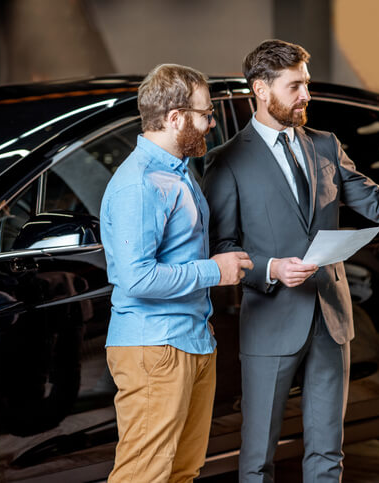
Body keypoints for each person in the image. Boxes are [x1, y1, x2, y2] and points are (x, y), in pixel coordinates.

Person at [203, 39, 379, 482]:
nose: (306, 96)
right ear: (260, 88)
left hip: (332, 320)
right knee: (257, 459)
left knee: (328, 453)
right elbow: (222, 248)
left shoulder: (326, 146)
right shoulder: (227, 161)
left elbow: (374, 204)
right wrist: (272, 268)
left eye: (306, 85)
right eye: (295, 86)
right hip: (271, 320)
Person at [100, 63, 253, 483]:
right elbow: (136, 278)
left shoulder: (177, 174)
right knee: (143, 475)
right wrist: (213, 270)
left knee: (183, 472)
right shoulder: (141, 183)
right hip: (155, 348)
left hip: (190, 341)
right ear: (175, 117)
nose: (211, 123)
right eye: (205, 114)